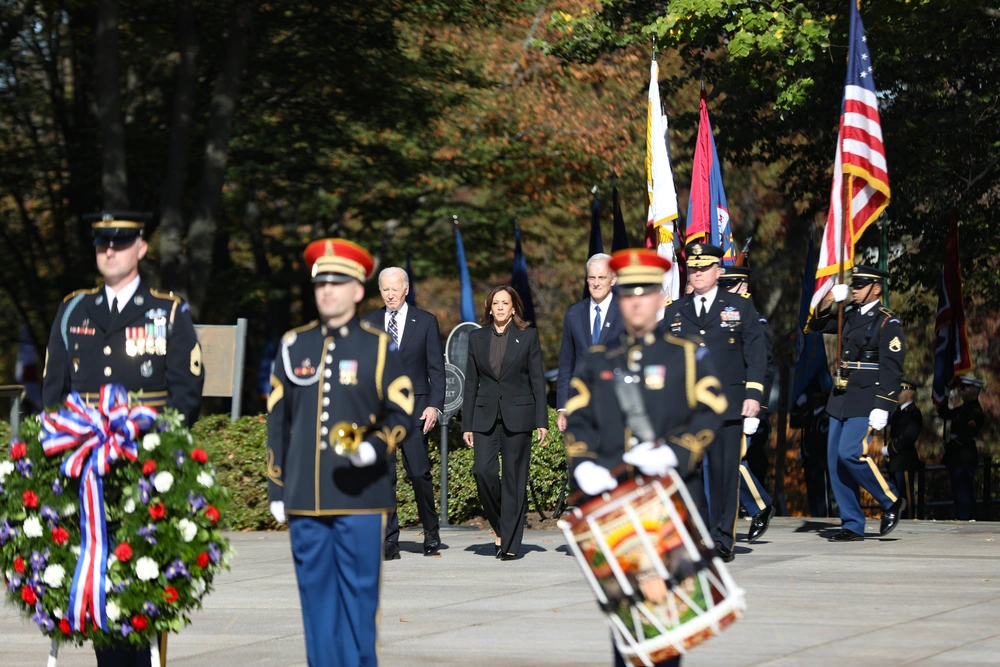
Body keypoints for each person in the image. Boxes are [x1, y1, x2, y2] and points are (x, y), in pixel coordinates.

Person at [42, 211, 204, 667]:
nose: (109, 250)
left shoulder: (167, 312)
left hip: (143, 469)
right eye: (101, 244)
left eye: (120, 241)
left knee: (145, 589)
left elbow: (185, 394)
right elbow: (54, 393)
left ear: (141, 249)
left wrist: (153, 447)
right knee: (97, 586)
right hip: (85, 471)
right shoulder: (74, 310)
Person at [564, 249, 728, 667]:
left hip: (669, 505)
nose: (637, 301)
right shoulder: (600, 360)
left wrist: (675, 452)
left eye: (646, 293)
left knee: (670, 622)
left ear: (661, 299)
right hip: (618, 507)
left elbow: (712, 409)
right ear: (621, 300)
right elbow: (578, 419)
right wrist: (582, 463)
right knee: (628, 626)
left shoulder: (685, 355)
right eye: (629, 294)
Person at [266, 238, 415, 665]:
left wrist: (374, 448)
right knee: (316, 611)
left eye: (339, 282)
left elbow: (402, 411)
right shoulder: (294, 345)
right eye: (321, 284)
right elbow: (279, 422)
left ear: (357, 290)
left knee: (359, 609)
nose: (328, 290)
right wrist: (278, 489)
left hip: (360, 501)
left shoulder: (378, 346)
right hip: (305, 502)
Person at [662, 244, 767, 562]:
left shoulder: (739, 307)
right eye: (693, 268)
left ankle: (723, 539)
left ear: (718, 272)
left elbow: (756, 353)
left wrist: (753, 396)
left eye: (704, 267)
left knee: (724, 475)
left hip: (729, 405)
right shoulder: (674, 311)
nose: (697, 273)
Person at [806, 265, 906, 541]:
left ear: (876, 288)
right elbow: (815, 324)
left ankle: (890, 500)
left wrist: (884, 404)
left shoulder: (888, 322)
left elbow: (892, 368)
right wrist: (829, 301)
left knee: (850, 452)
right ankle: (852, 523)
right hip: (841, 396)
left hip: (867, 397)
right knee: (834, 460)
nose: (856, 290)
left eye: (861, 286)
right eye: (855, 285)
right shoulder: (847, 315)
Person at [362, 266, 444, 559]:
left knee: (419, 474)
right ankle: (389, 539)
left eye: (395, 288)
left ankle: (431, 533)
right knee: (384, 476)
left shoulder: (425, 322)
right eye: (385, 289)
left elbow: (437, 368)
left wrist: (435, 405)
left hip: (416, 409)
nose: (390, 294)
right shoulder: (368, 322)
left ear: (406, 289)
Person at [461, 285, 548, 560]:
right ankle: (501, 525)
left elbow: (537, 380)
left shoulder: (528, 336)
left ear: (513, 308)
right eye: (495, 303)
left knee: (514, 480)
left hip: (519, 416)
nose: (499, 307)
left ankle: (510, 544)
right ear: (489, 308)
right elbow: (471, 383)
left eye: (505, 303)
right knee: (482, 472)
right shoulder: (476, 338)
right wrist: (467, 424)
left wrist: (541, 421)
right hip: (485, 417)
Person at [718, 265, 774, 543]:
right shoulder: (722, 320)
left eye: (729, 287)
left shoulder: (756, 323)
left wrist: (758, 409)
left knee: (732, 461)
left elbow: (763, 368)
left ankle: (760, 506)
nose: (724, 292)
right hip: (720, 402)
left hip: (745, 406)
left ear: (742, 287)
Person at [555, 253, 623, 432]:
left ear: (613, 279)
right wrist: (562, 407)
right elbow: (566, 363)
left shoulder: (625, 311)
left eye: (602, 277)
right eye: (592, 277)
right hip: (580, 404)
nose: (596, 283)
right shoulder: (573, 313)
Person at [939, 375, 985, 520]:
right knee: (958, 493)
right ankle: (962, 518)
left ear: (974, 390)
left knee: (964, 493)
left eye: (964, 388)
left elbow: (966, 434)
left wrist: (951, 444)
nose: (961, 391)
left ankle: (967, 520)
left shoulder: (975, 411)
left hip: (964, 456)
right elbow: (944, 414)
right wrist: (943, 396)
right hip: (956, 457)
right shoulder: (962, 409)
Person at [883, 378, 923, 519]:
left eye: (901, 391)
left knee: (905, 494)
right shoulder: (897, 411)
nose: (898, 394)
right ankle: (897, 517)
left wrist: (890, 449)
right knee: (894, 492)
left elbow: (908, 437)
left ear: (910, 394)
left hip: (904, 459)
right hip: (895, 460)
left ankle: (909, 518)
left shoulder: (913, 413)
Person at [791, 388, 833, 517]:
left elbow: (822, 440)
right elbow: (794, 423)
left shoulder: (826, 416)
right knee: (812, 493)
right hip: (810, 461)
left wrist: (808, 451)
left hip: (821, 461)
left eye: (817, 397)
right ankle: (816, 516)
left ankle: (825, 518)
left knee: (823, 494)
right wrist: (797, 406)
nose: (814, 400)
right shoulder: (810, 415)